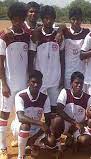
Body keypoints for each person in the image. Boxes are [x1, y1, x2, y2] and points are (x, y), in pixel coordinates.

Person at [0, 3, 29, 158]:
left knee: (21, 114)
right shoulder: (4, 36)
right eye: (15, 19)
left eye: (20, 19)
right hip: (9, 84)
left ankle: (19, 138)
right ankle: (2, 147)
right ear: (11, 19)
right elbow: (0, 63)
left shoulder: (26, 35)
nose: (18, 22)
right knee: (4, 114)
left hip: (23, 83)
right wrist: (4, 83)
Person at [29, 5, 64, 115]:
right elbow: (31, 58)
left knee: (54, 109)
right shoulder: (36, 35)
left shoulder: (59, 36)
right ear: (42, 19)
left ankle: (51, 129)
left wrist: (62, 77)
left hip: (55, 78)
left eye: (51, 18)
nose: (48, 21)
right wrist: (30, 77)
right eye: (46, 18)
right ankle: (38, 130)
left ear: (54, 19)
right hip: (40, 80)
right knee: (38, 107)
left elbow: (62, 58)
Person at [11, 70, 51, 159]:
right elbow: (21, 118)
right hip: (20, 127)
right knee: (25, 126)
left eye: (38, 82)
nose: (36, 85)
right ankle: (21, 156)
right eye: (33, 82)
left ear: (41, 83)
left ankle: (31, 143)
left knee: (51, 141)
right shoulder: (20, 95)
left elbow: (48, 121)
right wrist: (40, 123)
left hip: (36, 129)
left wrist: (35, 137)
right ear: (28, 82)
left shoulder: (45, 98)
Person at [55, 72, 91, 150]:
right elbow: (59, 109)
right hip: (66, 123)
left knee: (86, 140)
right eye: (76, 83)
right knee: (56, 121)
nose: (79, 85)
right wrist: (74, 123)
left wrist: (80, 124)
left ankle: (74, 139)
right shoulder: (65, 92)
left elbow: (89, 118)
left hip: (79, 126)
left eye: (81, 83)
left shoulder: (88, 98)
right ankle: (58, 145)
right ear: (71, 83)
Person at [63, 7, 90, 89]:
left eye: (78, 19)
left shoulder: (86, 32)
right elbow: (58, 27)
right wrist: (61, 28)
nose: (75, 22)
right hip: (68, 74)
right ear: (69, 19)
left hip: (83, 72)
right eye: (73, 19)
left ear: (81, 19)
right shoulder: (65, 32)